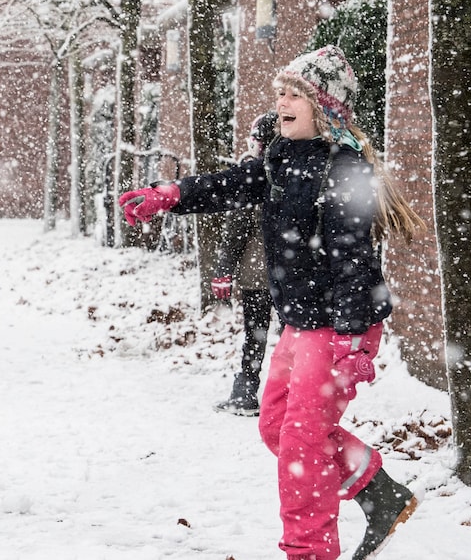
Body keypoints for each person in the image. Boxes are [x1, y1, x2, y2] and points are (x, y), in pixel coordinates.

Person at [119, 46, 424, 560]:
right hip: (302, 322)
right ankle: (375, 489)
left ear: (325, 106)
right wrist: (170, 195)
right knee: (276, 426)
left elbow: (353, 260)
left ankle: (308, 553)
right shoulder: (280, 159)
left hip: (338, 325)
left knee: (303, 445)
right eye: (279, 92)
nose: (281, 101)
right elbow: (230, 185)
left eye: (294, 94)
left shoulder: (344, 170)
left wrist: (352, 342)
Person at [211, 112, 276, 417]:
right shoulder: (296, 172)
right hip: (291, 275)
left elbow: (235, 231)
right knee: (294, 341)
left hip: (258, 275)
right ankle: (288, 398)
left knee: (255, 335)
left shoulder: (249, 176)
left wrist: (224, 269)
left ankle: (246, 392)